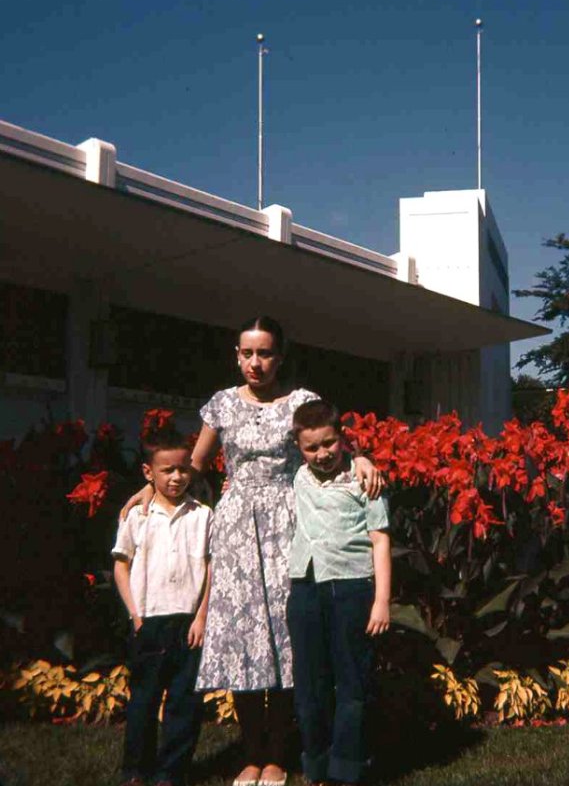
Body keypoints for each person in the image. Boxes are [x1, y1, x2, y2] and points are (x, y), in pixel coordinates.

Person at [122, 315, 382, 786]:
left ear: (279, 357)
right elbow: (194, 464)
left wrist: (362, 456)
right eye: (247, 353)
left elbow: (336, 437)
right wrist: (151, 493)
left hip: (290, 524)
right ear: (236, 356)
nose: (255, 363)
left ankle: (279, 755)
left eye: (264, 353)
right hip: (237, 528)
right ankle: (252, 752)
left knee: (283, 642)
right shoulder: (221, 404)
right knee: (243, 641)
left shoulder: (301, 401)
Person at [286, 399, 391, 786]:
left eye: (329, 443)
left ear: (342, 440)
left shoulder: (364, 482)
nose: (322, 453)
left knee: (352, 682)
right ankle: (315, 765)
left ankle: (346, 769)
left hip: (352, 588)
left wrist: (381, 601)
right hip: (306, 588)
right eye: (311, 447)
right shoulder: (297, 477)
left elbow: (380, 541)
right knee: (309, 685)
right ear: (299, 448)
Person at [113, 425, 213, 786]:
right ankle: (137, 770)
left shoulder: (202, 515)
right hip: (149, 619)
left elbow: (210, 566)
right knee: (143, 699)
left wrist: (201, 616)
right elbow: (121, 564)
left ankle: (172, 772)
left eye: (183, 468)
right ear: (148, 473)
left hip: (189, 621)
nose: (176, 477)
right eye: (167, 470)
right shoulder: (136, 515)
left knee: (184, 703)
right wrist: (134, 614)